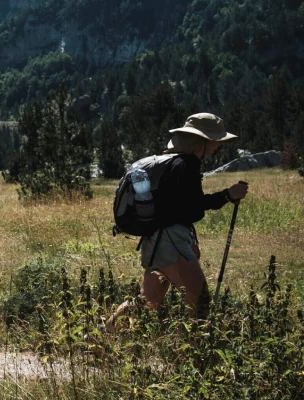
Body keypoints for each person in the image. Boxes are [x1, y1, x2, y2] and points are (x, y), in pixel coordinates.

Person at [106, 113, 248, 332]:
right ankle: (192, 354)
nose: (218, 145)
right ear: (201, 140)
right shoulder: (187, 164)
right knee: (199, 300)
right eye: (215, 140)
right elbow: (190, 208)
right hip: (170, 241)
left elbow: (177, 206)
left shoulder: (173, 163)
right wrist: (227, 195)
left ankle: (100, 336)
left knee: (147, 301)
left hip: (155, 240)